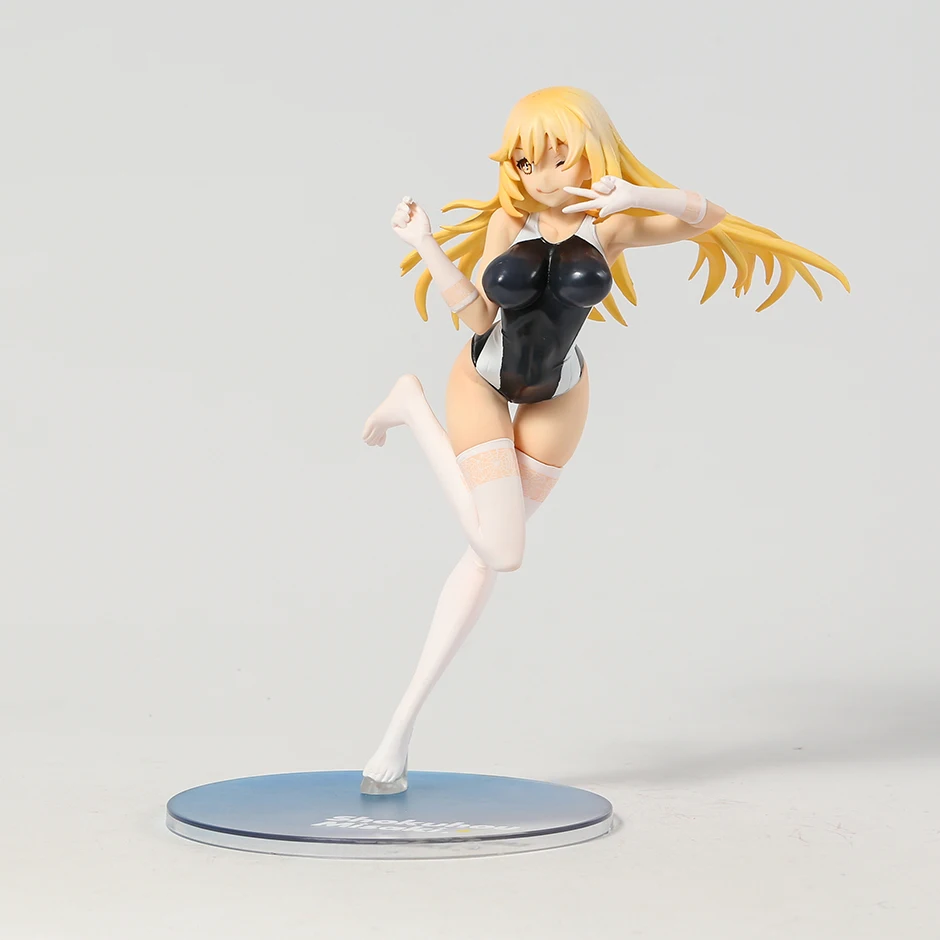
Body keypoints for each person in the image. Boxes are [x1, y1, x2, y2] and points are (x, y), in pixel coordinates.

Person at [359, 86, 849, 794]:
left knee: (484, 555)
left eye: (558, 157)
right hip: (483, 379)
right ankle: (413, 405)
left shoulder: (611, 228)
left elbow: (709, 217)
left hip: (561, 391)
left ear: (592, 153)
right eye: (526, 161)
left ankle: (399, 730)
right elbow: (477, 317)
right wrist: (425, 244)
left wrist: (637, 195)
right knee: (501, 549)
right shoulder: (508, 220)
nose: (541, 175)